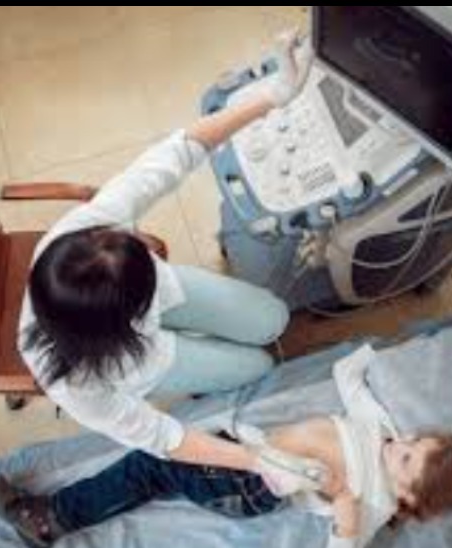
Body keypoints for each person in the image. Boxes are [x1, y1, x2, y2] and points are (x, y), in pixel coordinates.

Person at [19, 32, 313, 473]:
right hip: (149, 360)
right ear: (123, 323)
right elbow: (161, 436)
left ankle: (219, 340)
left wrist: (272, 96)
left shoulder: (82, 233)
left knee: (274, 318)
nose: (139, 240)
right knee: (258, 367)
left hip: (149, 310)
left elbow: (175, 155)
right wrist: (258, 461)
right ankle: (213, 359)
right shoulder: (75, 385)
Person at [0, 345, 452, 548]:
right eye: (414, 441)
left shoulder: (373, 503)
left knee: (149, 464)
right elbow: (349, 378)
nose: (401, 445)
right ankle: (59, 514)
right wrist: (378, 353)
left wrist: (345, 518)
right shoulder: (383, 431)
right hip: (247, 450)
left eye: (407, 460)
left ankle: (50, 519)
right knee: (161, 465)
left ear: (408, 496)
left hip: (250, 488)